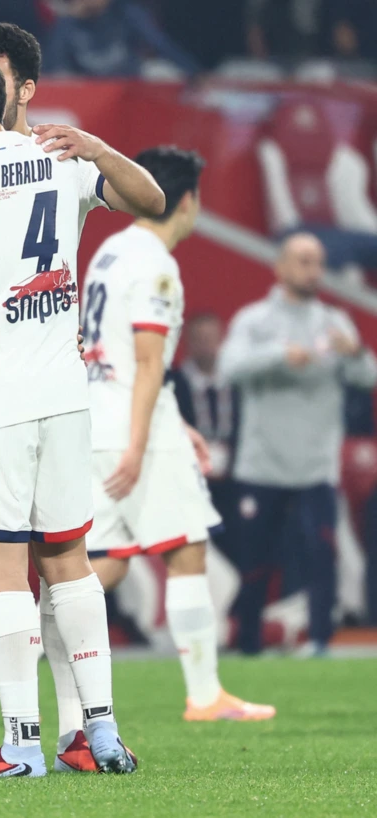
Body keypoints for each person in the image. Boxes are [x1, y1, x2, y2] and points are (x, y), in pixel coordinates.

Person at [0, 21, 156, 777]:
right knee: (71, 560)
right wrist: (98, 149)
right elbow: (146, 198)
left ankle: (20, 741)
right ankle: (100, 730)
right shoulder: (63, 158)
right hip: (62, 391)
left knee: (1, 567)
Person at [81, 146, 276, 728]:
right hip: (136, 426)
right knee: (188, 550)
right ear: (187, 201)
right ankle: (205, 694)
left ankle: (34, 641)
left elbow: (114, 352)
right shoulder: (156, 265)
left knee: (109, 556)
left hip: (95, 416)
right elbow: (146, 362)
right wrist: (146, 441)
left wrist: (176, 421)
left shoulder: (110, 253)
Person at [219, 232, 377, 656]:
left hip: (315, 465)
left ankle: (321, 641)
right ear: (281, 267)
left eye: (318, 262)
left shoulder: (335, 322)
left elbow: (369, 377)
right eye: (304, 261)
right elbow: (228, 367)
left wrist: (356, 352)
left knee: (321, 555)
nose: (313, 271)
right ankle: (248, 646)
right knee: (254, 562)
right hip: (262, 463)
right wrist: (278, 356)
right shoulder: (254, 320)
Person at [173, 313, 241, 562]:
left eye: (211, 339)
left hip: (232, 486)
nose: (206, 346)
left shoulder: (237, 383)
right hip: (188, 486)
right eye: (199, 339)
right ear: (188, 343)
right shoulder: (172, 383)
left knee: (236, 556)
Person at [46, 0, 201, 77]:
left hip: (127, 85)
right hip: (89, 89)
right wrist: (66, 21)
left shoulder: (126, 13)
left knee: (160, 71)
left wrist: (193, 72)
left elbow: (159, 43)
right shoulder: (69, 22)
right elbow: (54, 65)